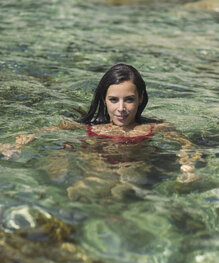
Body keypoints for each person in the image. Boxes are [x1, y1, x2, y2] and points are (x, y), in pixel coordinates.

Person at [0, 63, 201, 183]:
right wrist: (16, 144)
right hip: (95, 171)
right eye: (114, 100)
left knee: (125, 186)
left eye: (129, 99)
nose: (121, 108)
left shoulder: (155, 128)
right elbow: (43, 131)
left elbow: (187, 145)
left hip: (134, 173)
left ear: (141, 98)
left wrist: (188, 164)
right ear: (104, 99)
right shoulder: (91, 127)